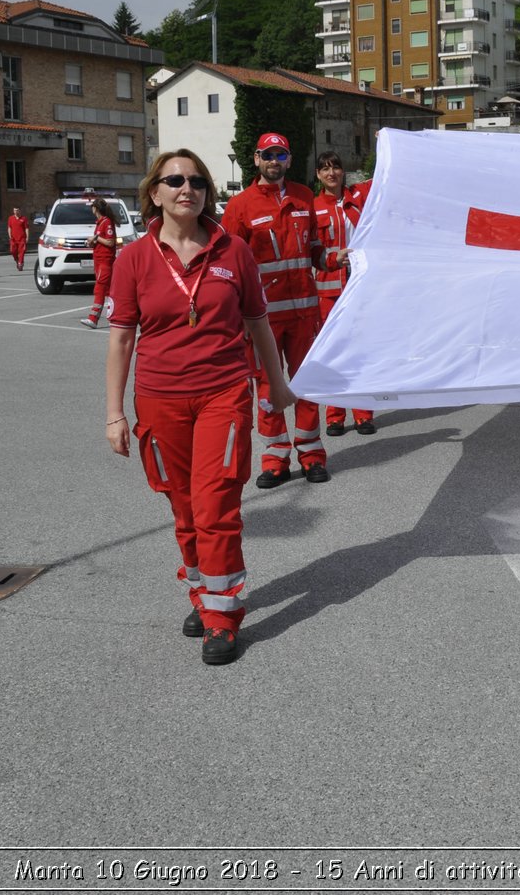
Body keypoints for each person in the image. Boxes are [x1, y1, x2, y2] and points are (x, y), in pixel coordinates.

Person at [104, 149, 295, 666]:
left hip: (223, 394)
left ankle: (222, 616)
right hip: (160, 400)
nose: (186, 188)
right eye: (174, 180)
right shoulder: (134, 259)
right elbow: (121, 340)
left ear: (208, 192)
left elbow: (257, 322)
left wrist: (276, 385)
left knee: (215, 506)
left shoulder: (233, 252)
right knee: (184, 507)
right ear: (155, 192)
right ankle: (202, 593)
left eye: (196, 181)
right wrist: (115, 413)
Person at [220, 132, 332, 487]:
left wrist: (334, 258)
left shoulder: (304, 197)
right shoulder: (240, 206)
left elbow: (315, 250)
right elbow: (227, 265)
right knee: (269, 388)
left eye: (280, 155)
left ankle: (312, 454)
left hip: (305, 315)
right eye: (268, 155)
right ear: (256, 159)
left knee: (307, 385)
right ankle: (275, 459)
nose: (274, 161)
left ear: (288, 159)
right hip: (262, 320)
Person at [312, 151, 375, 436]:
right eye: (325, 169)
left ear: (343, 171)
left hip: (360, 287)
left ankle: (363, 413)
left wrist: (384, 144)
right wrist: (333, 257)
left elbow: (387, 178)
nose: (331, 173)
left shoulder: (358, 197)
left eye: (335, 167)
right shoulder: (313, 207)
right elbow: (311, 249)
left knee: (360, 352)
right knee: (332, 352)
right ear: (318, 175)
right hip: (329, 291)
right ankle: (334, 415)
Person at [80, 197, 118, 328]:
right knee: (110, 290)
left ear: (95, 208)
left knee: (100, 288)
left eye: (92, 206)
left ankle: (93, 318)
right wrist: (92, 241)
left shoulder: (107, 222)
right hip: (98, 260)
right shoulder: (99, 223)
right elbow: (102, 240)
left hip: (105, 261)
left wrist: (96, 238)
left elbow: (110, 241)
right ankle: (119, 315)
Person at [7, 207, 29, 271]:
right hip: (13, 239)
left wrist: (27, 237)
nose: (15, 212)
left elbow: (26, 228)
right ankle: (17, 260)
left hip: (22, 238)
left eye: (17, 210)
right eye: (14, 210)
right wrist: (9, 235)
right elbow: (9, 228)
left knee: (22, 252)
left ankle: (20, 264)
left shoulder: (24, 219)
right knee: (13, 251)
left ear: (19, 211)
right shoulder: (10, 218)